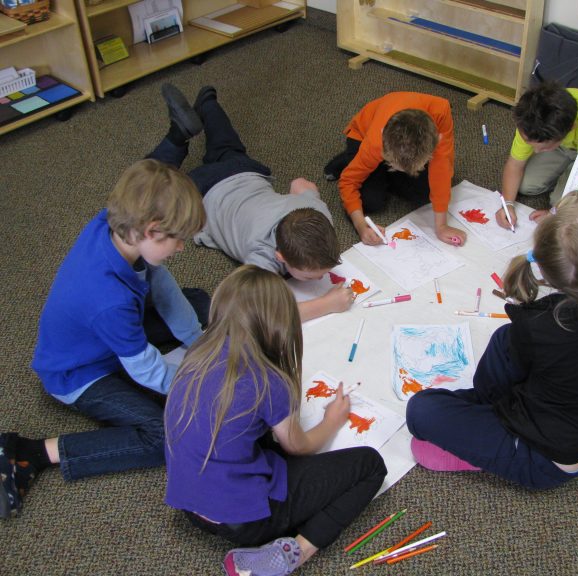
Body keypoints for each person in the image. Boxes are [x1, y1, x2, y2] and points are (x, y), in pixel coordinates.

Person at [0, 134, 210, 518]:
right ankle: (35, 452)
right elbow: (147, 371)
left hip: (105, 334)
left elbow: (161, 284)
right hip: (78, 375)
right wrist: (201, 385)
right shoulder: (109, 301)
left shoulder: (115, 225)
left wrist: (198, 341)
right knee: (165, 435)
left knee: (198, 304)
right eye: (178, 240)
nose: (182, 248)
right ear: (151, 231)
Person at [406, 191, 578, 489]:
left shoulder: (539, 328)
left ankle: (483, 441)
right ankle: (482, 416)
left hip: (547, 460)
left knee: (421, 411)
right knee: (505, 338)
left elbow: (518, 366)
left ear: (542, 268)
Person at [164, 265, 387, 575]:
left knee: (261, 440)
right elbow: (299, 446)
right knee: (371, 465)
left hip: (189, 504)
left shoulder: (199, 351)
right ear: (279, 326)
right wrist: (332, 420)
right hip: (245, 522)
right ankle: (298, 551)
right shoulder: (268, 381)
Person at [157, 83, 354, 323]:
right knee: (159, 188)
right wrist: (326, 304)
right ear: (280, 258)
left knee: (225, 142)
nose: (320, 280)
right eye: (310, 277)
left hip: (244, 172)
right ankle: (181, 131)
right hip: (206, 191)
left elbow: (301, 185)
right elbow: (259, 312)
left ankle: (206, 103)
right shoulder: (263, 254)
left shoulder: (317, 212)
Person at [323, 91, 467, 247]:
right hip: (362, 136)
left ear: (437, 140)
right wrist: (360, 226)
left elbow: (441, 168)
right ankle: (349, 158)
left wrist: (442, 226)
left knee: (425, 194)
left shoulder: (441, 113)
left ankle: (377, 170)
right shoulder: (375, 142)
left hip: (391, 151)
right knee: (371, 201)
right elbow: (348, 182)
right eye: (392, 164)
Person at [498, 81, 578, 228]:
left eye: (543, 148)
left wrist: (555, 213)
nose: (536, 152)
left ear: (571, 129)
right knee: (525, 185)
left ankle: (566, 171)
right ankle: (561, 165)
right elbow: (514, 165)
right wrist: (507, 204)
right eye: (530, 144)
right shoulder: (529, 120)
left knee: (560, 202)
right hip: (564, 144)